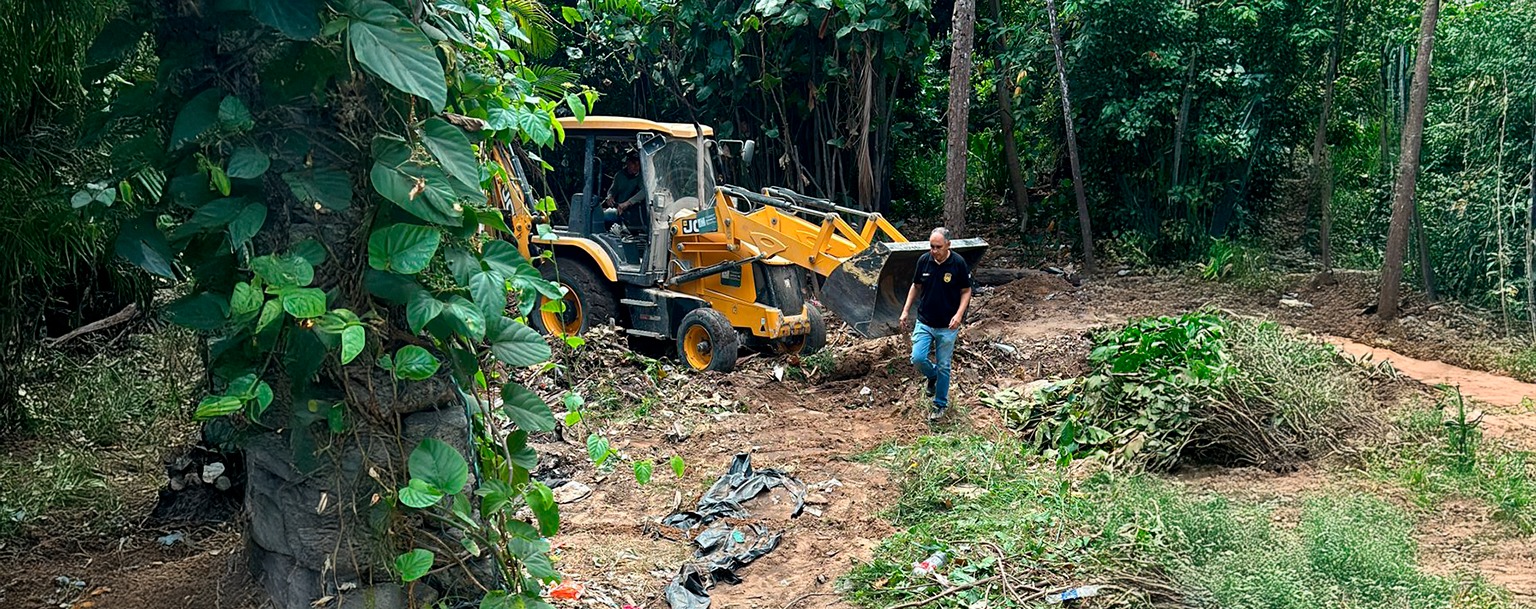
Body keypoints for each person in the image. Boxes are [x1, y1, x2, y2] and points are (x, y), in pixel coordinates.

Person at [899, 227, 973, 421]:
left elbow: (966, 291)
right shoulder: (924, 261)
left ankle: (940, 404)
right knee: (917, 358)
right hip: (924, 321)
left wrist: (959, 315)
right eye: (931, 246)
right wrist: (906, 310)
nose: (934, 250)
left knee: (944, 365)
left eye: (938, 247)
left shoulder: (958, 263)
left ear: (948, 245)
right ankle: (932, 376)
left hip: (947, 326)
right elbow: (916, 286)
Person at [602, 153, 646, 231]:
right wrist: (610, 197)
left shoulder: (641, 178)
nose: (636, 167)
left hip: (635, 213)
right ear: (628, 163)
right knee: (602, 216)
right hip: (619, 210)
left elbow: (645, 192)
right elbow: (612, 190)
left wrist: (628, 203)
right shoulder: (620, 175)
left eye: (639, 164)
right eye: (634, 164)